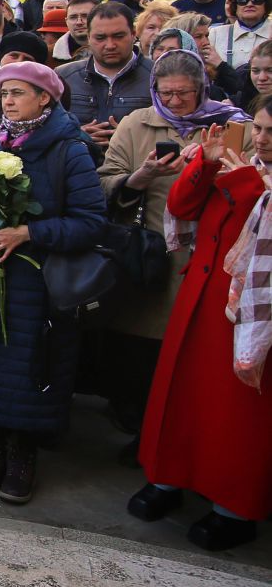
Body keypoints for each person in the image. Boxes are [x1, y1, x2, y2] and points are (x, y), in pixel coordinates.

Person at [0, 62, 106, 504]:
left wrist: (29, 233)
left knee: (30, 363)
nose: (9, 102)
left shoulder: (69, 150)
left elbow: (91, 222)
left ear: (45, 98)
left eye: (19, 93)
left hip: (35, 281)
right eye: (5, 94)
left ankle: (23, 452)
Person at [128, 109, 272, 551]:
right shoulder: (243, 167)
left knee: (234, 412)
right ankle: (168, 477)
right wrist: (205, 165)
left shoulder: (250, 176)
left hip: (249, 311)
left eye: (271, 132)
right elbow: (181, 206)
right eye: (260, 129)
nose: (262, 139)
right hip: (201, 295)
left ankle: (234, 507)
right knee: (182, 392)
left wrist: (243, 179)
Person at [98, 47, 247, 435]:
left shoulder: (230, 124)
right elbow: (104, 180)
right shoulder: (136, 124)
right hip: (150, 255)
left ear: (203, 89)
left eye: (184, 93)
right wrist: (141, 176)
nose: (175, 102)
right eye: (166, 94)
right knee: (143, 350)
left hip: (211, 257)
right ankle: (141, 429)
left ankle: (182, 431)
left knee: (194, 351)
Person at [58, 2, 154, 152]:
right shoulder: (63, 77)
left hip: (137, 169)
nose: (110, 45)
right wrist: (76, 134)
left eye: (118, 36)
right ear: (89, 37)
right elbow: (44, 130)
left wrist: (131, 137)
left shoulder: (157, 76)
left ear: (134, 34)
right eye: (100, 38)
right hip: (78, 168)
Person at [208, 0, 270, 71]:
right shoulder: (216, 34)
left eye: (257, 0)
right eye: (242, 1)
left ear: (267, 5)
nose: (249, 4)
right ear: (235, 6)